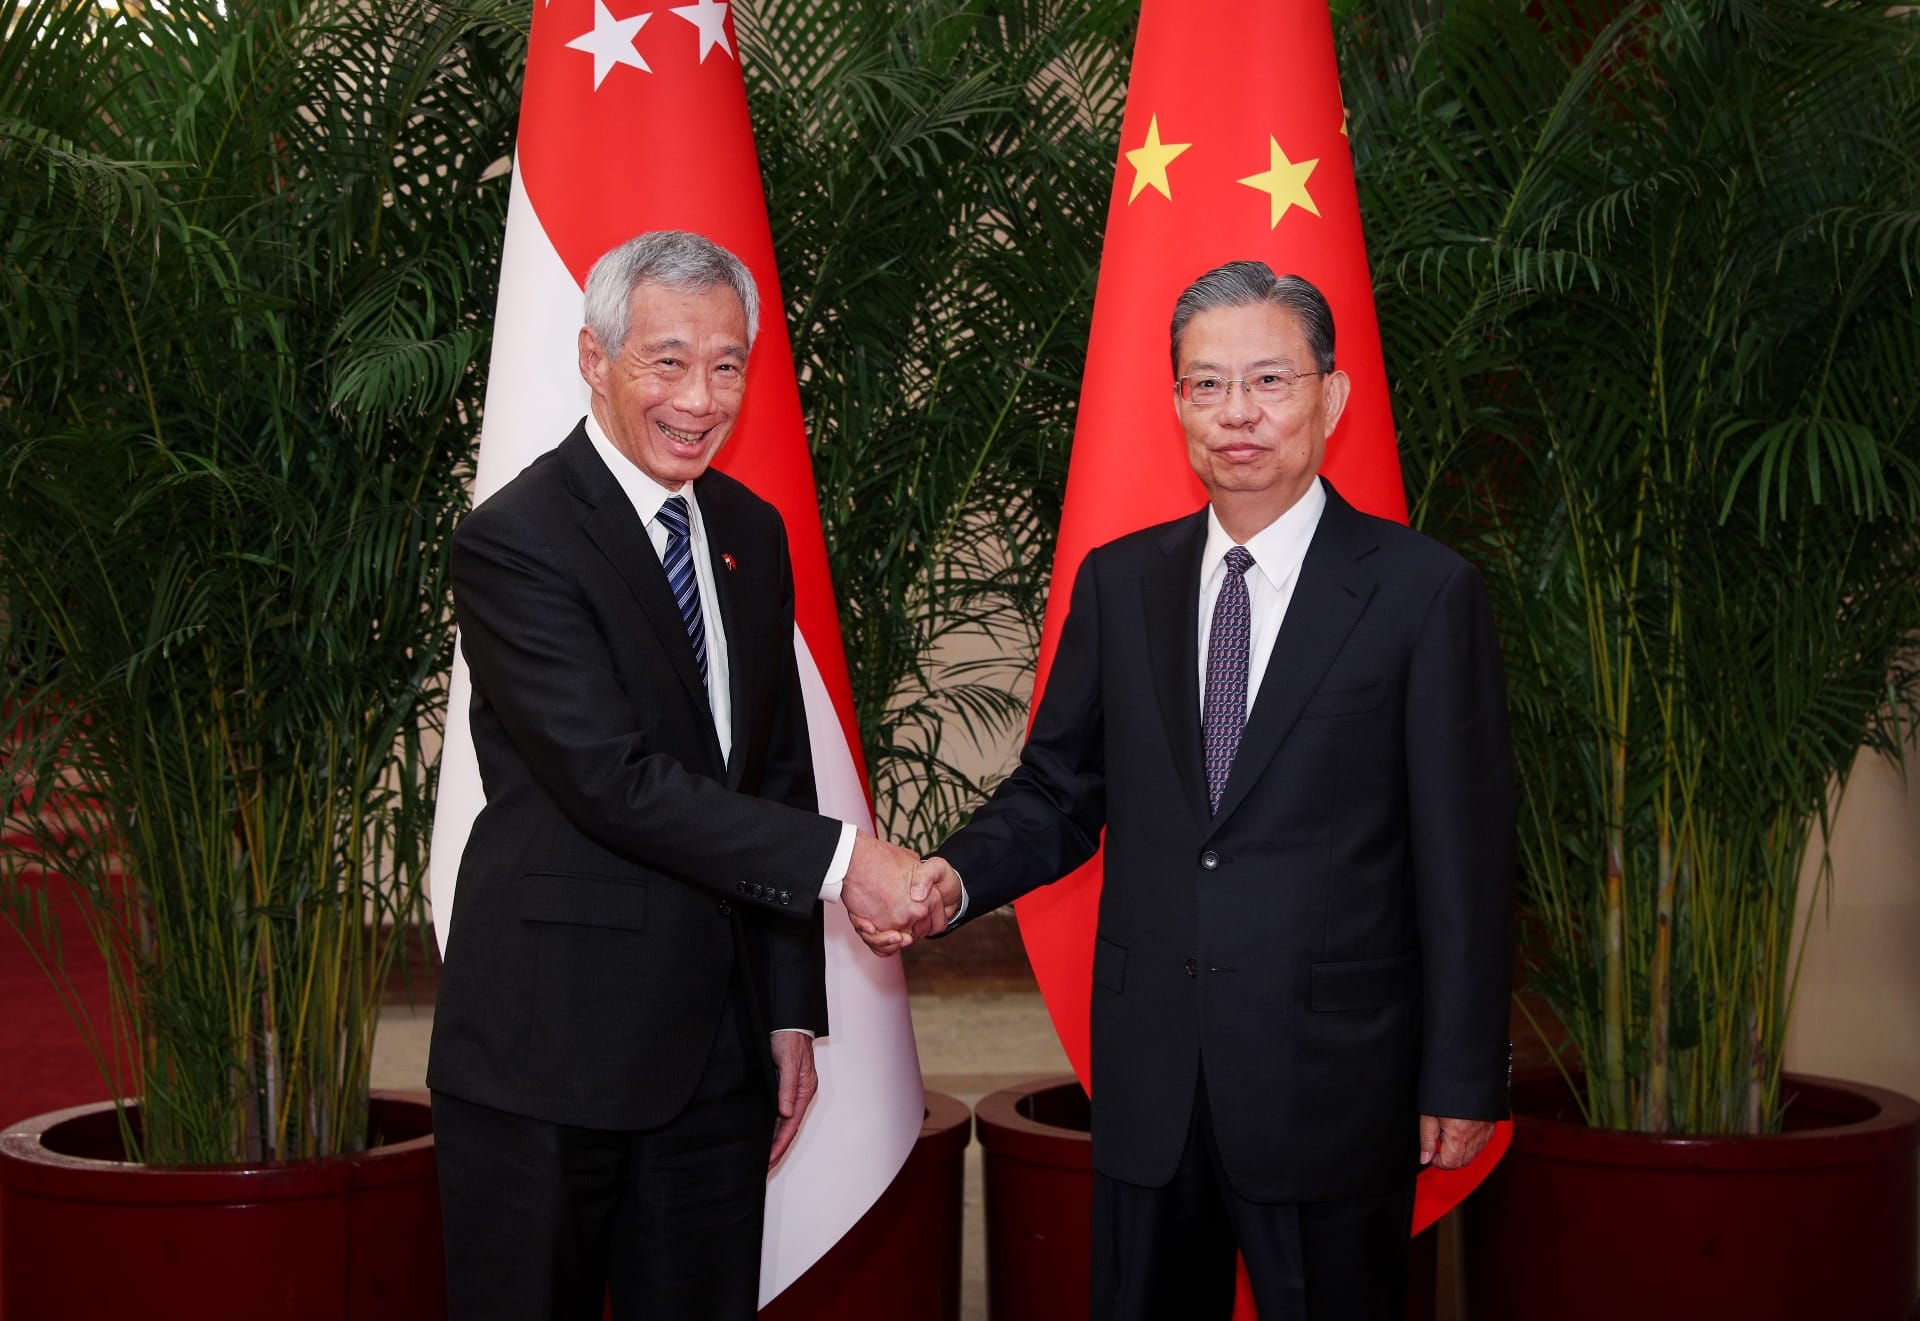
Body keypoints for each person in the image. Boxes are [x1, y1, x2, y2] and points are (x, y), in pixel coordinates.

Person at [907, 262, 1514, 1320]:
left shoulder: (1423, 593)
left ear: (1331, 396)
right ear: (1177, 401)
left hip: (1331, 1081)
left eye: (1270, 381)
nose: (1239, 414)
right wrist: (951, 879)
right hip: (1153, 1083)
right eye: (1207, 385)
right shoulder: (1121, 580)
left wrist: (1461, 1073)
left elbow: (1463, 856)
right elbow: (1058, 789)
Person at [427, 229, 956, 1321]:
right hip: (549, 1048)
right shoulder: (516, 540)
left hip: (716, 1055)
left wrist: (788, 1009)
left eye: (726, 365)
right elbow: (611, 779)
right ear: (593, 357)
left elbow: (769, 769)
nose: (700, 397)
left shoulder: (749, 534)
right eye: (665, 361)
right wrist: (848, 862)